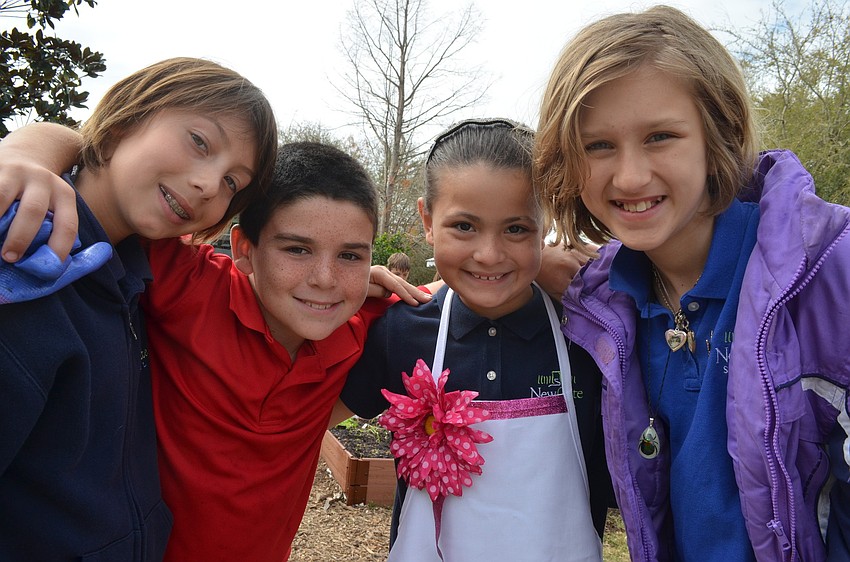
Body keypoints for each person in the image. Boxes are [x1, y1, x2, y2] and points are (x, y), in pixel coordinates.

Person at [533, 5, 850, 561]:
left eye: (660, 136)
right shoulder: (600, 307)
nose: (630, 176)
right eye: (598, 145)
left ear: (718, 132)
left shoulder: (831, 273)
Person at [0, 56, 278, 560]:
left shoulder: (136, 276)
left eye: (233, 182)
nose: (210, 185)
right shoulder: (23, 262)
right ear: (128, 117)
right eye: (199, 141)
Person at [335, 118, 611, 561]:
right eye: (464, 226)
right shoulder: (401, 332)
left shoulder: (590, 334)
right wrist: (336, 297)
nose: (489, 254)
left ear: (545, 226)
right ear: (427, 221)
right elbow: (299, 423)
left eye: (517, 229)